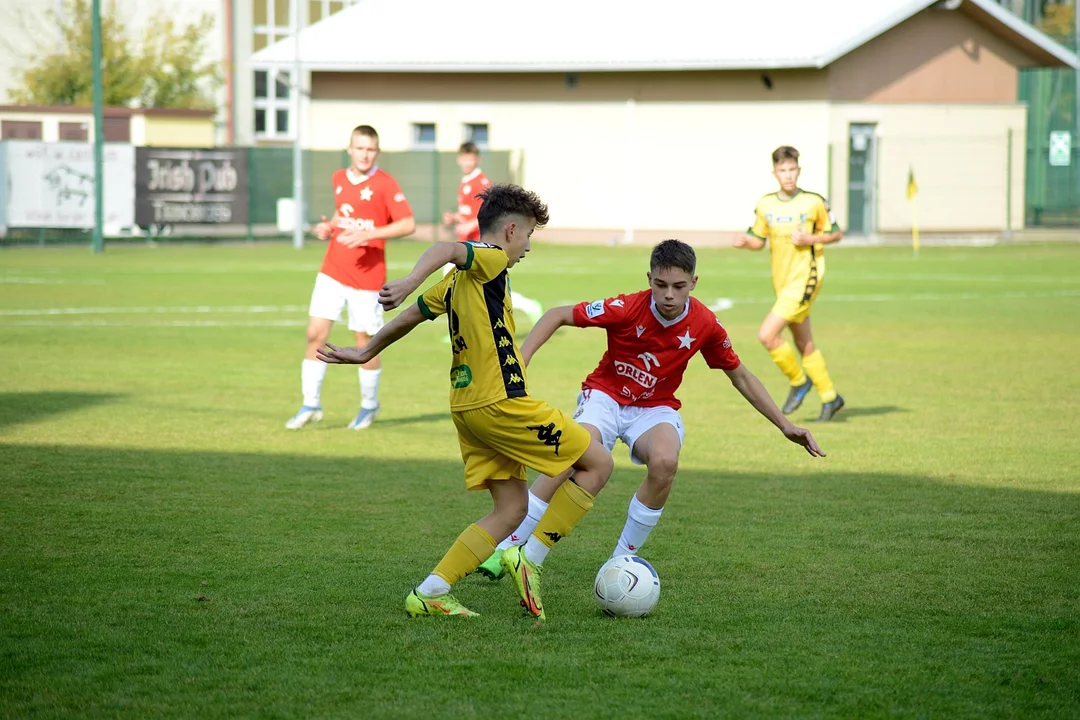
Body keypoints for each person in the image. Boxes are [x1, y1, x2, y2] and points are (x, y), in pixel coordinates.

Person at [318, 184, 614, 620]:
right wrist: (410, 280)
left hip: (466, 407)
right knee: (598, 463)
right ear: (510, 230)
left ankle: (431, 591)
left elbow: (412, 317)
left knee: (512, 508)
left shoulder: (459, 282)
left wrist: (366, 351)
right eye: (529, 234)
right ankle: (530, 557)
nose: (529, 245)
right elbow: (445, 247)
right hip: (501, 402)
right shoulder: (490, 260)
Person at [474, 239, 825, 580]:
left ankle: (621, 561)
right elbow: (557, 314)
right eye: (661, 284)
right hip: (605, 397)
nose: (669, 294)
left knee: (665, 463)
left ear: (693, 284)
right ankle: (510, 545)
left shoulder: (705, 324)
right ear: (649, 279)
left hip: (655, 407)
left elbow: (742, 377)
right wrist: (523, 356)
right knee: (574, 454)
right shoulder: (626, 307)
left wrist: (784, 425)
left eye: (678, 286)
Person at [286, 125, 416, 431]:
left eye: (370, 149)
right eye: (360, 148)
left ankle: (369, 405)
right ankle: (310, 403)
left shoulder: (385, 184)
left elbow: (407, 223)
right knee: (315, 333)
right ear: (350, 149)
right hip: (332, 269)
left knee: (364, 343)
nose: (365, 154)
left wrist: (370, 233)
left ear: (377, 152)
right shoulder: (339, 178)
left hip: (367, 278)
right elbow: (340, 216)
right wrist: (328, 229)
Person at [733, 145, 846, 422]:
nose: (788, 175)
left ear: (799, 170)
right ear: (775, 172)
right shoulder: (766, 205)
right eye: (783, 170)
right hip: (782, 282)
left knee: (767, 335)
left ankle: (798, 381)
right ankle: (831, 397)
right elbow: (759, 240)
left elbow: (836, 233)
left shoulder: (813, 202)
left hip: (806, 278)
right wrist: (746, 243)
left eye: (792, 169)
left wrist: (812, 239)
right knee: (803, 342)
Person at [441, 142, 544, 326]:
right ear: (459, 159)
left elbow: (487, 214)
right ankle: (464, 327)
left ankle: (462, 326)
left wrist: (468, 226)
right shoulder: (465, 182)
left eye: (470, 159)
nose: (466, 162)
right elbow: (468, 212)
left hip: (477, 244)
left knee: (459, 279)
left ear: (477, 160)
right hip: (466, 242)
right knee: (471, 285)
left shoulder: (481, 183)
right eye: (464, 159)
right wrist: (456, 218)